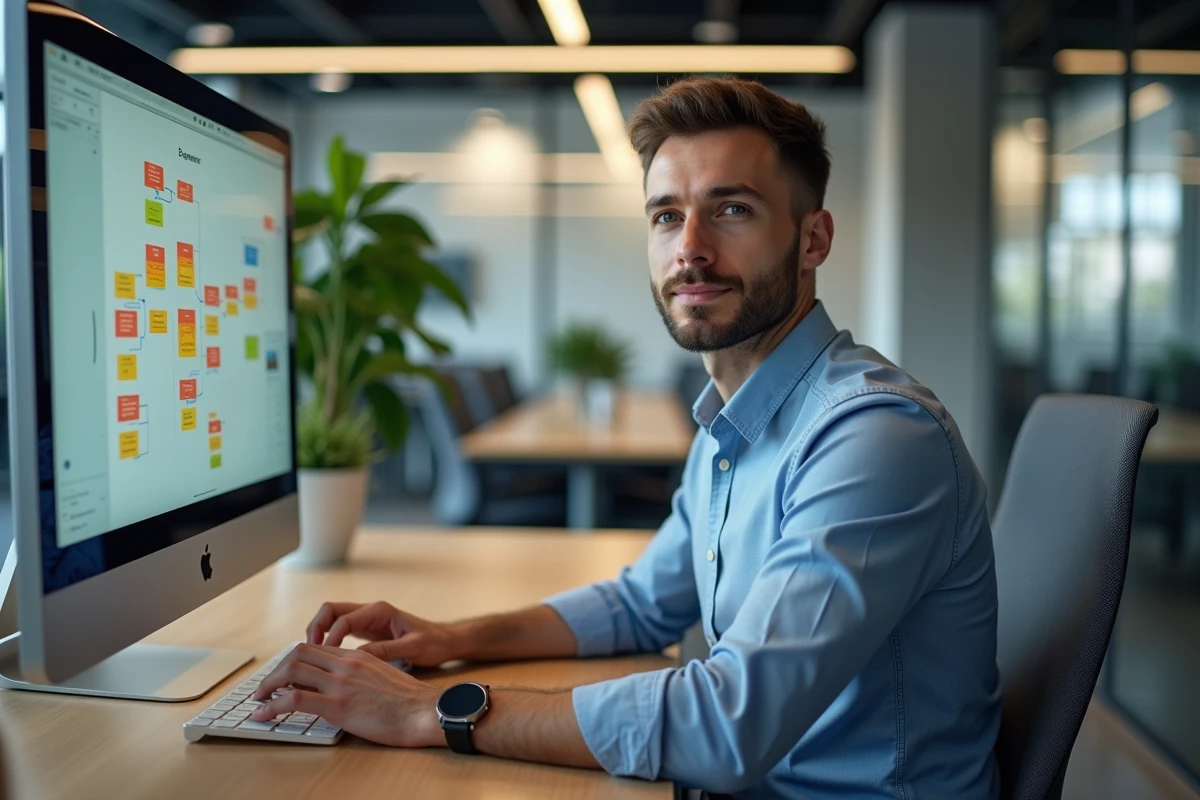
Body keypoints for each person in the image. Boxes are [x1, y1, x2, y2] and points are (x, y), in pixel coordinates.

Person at [250, 76, 1001, 799]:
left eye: (732, 209)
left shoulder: (873, 436)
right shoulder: (729, 423)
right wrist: (449, 638)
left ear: (813, 240)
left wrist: (429, 710)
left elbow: (728, 725)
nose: (691, 248)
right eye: (666, 216)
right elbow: (640, 605)